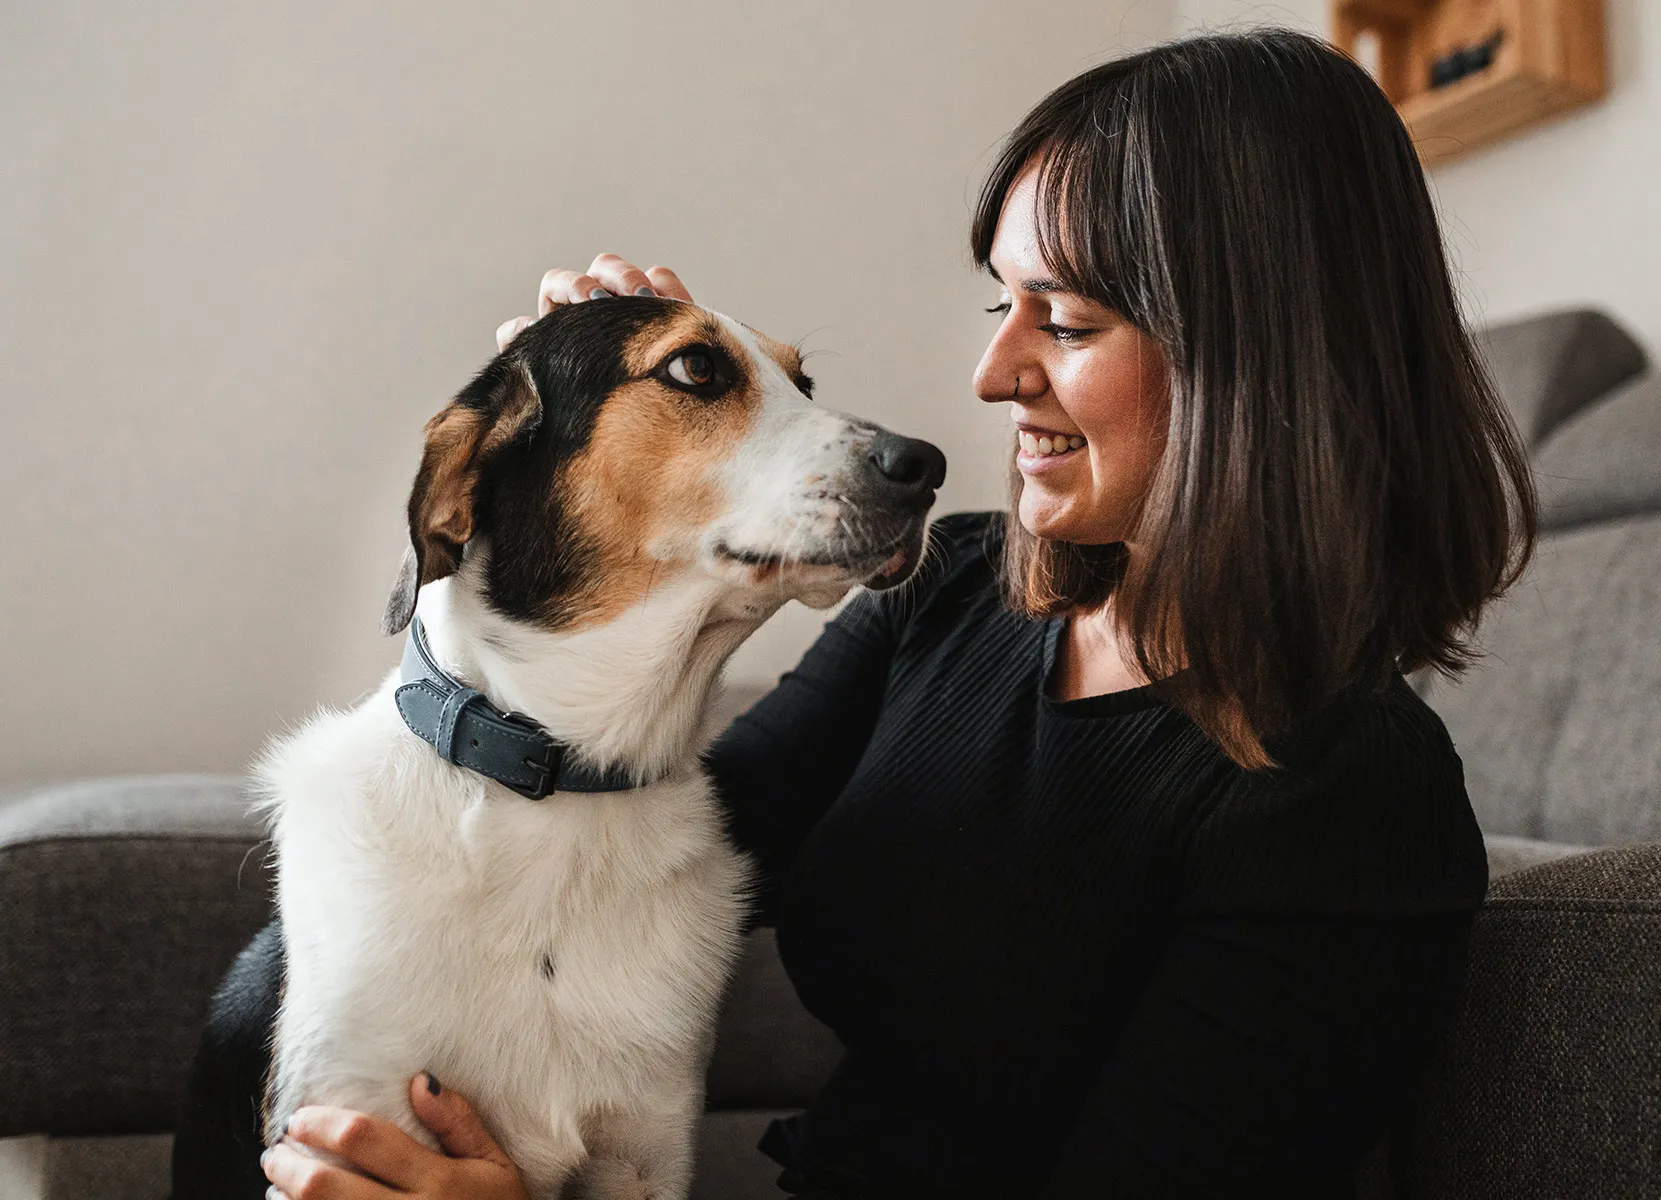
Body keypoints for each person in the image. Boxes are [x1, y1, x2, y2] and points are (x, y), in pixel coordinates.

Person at [249, 27, 1535, 1200]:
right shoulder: (960, 593)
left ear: (1258, 355)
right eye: (1002, 304)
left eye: (1068, 318)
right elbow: (662, 839)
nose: (991, 374)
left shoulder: (1349, 805)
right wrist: (597, 430)